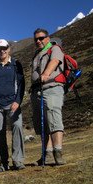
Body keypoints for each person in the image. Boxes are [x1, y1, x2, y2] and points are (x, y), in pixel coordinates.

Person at [0, 39, 26, 172]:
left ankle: (18, 160)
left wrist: (17, 101)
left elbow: (21, 84)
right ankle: (3, 162)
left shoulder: (15, 64)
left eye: (4, 48)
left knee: (17, 127)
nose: (2, 51)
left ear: (9, 49)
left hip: (13, 103)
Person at [30, 28, 65, 166]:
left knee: (53, 118)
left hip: (51, 87)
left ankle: (58, 152)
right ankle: (47, 154)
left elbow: (55, 61)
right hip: (37, 90)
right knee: (42, 123)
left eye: (41, 38)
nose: (38, 41)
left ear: (48, 38)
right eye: (36, 39)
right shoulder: (37, 54)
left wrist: (46, 73)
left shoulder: (55, 48)